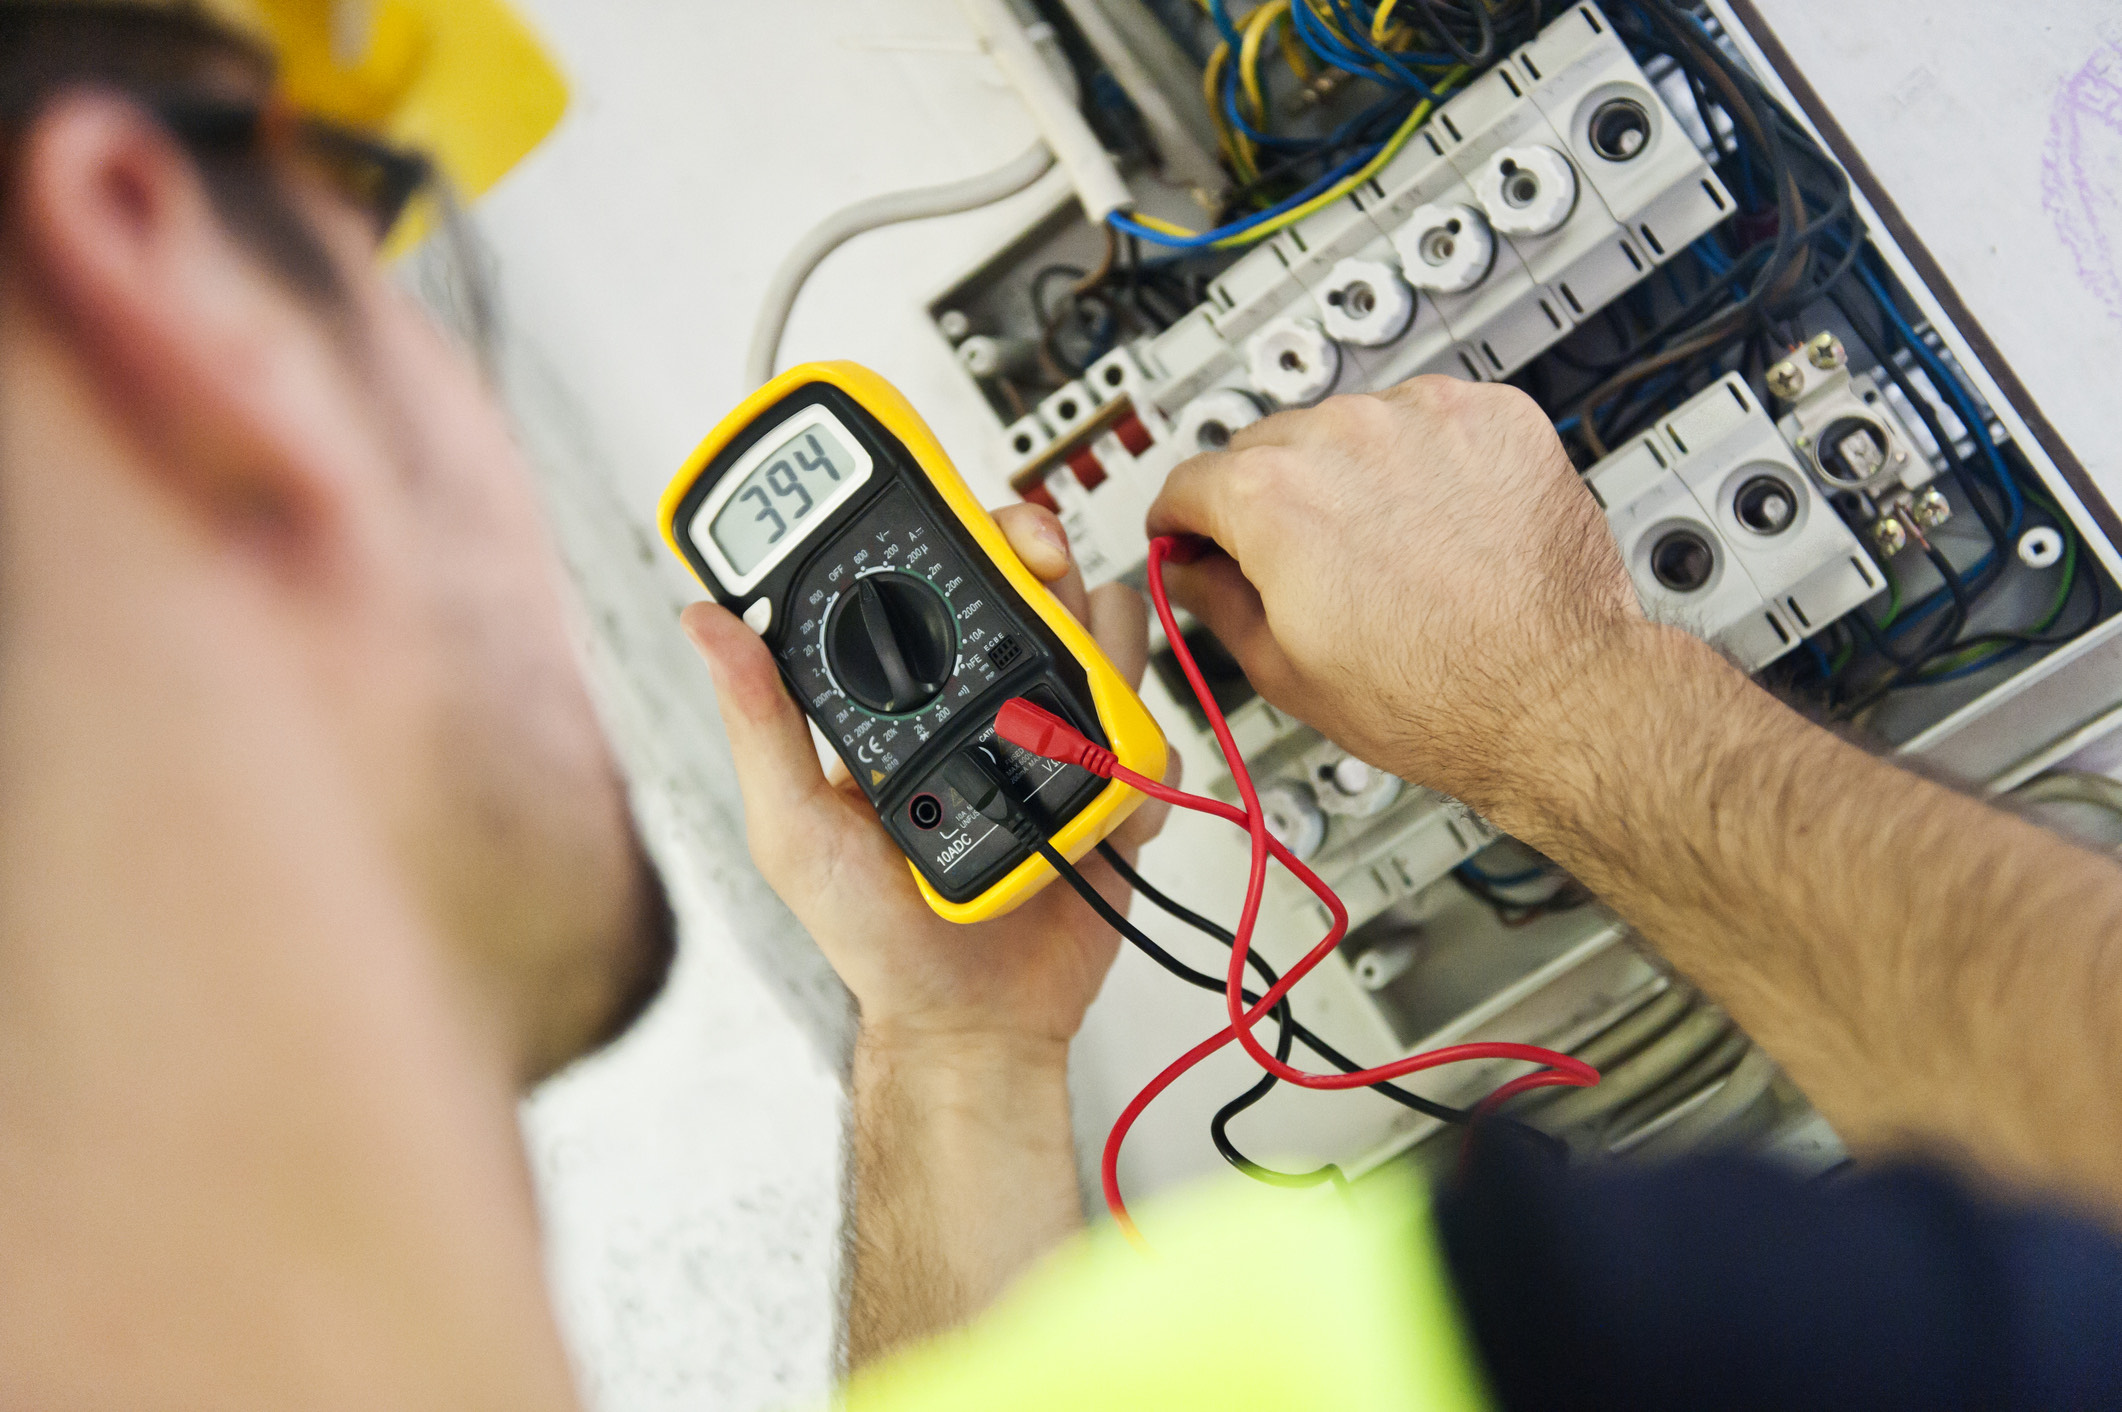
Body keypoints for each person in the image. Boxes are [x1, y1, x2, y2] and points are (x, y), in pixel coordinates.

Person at [1, 1, 2118, 1409]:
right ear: (194, 308)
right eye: (410, 279)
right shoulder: (1387, 1357)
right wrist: (1571, 713)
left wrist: (951, 1044)